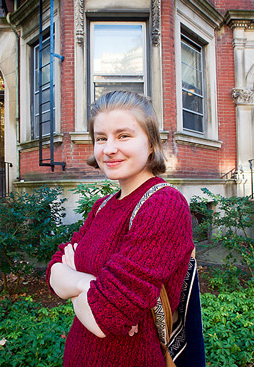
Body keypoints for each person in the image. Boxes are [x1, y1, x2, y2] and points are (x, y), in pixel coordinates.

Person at [46, 90, 194, 366]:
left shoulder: (164, 204)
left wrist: (75, 278)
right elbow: (53, 270)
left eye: (123, 135)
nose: (109, 148)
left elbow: (104, 316)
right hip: (80, 354)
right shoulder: (103, 206)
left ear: (150, 143)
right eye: (101, 138)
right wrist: (87, 283)